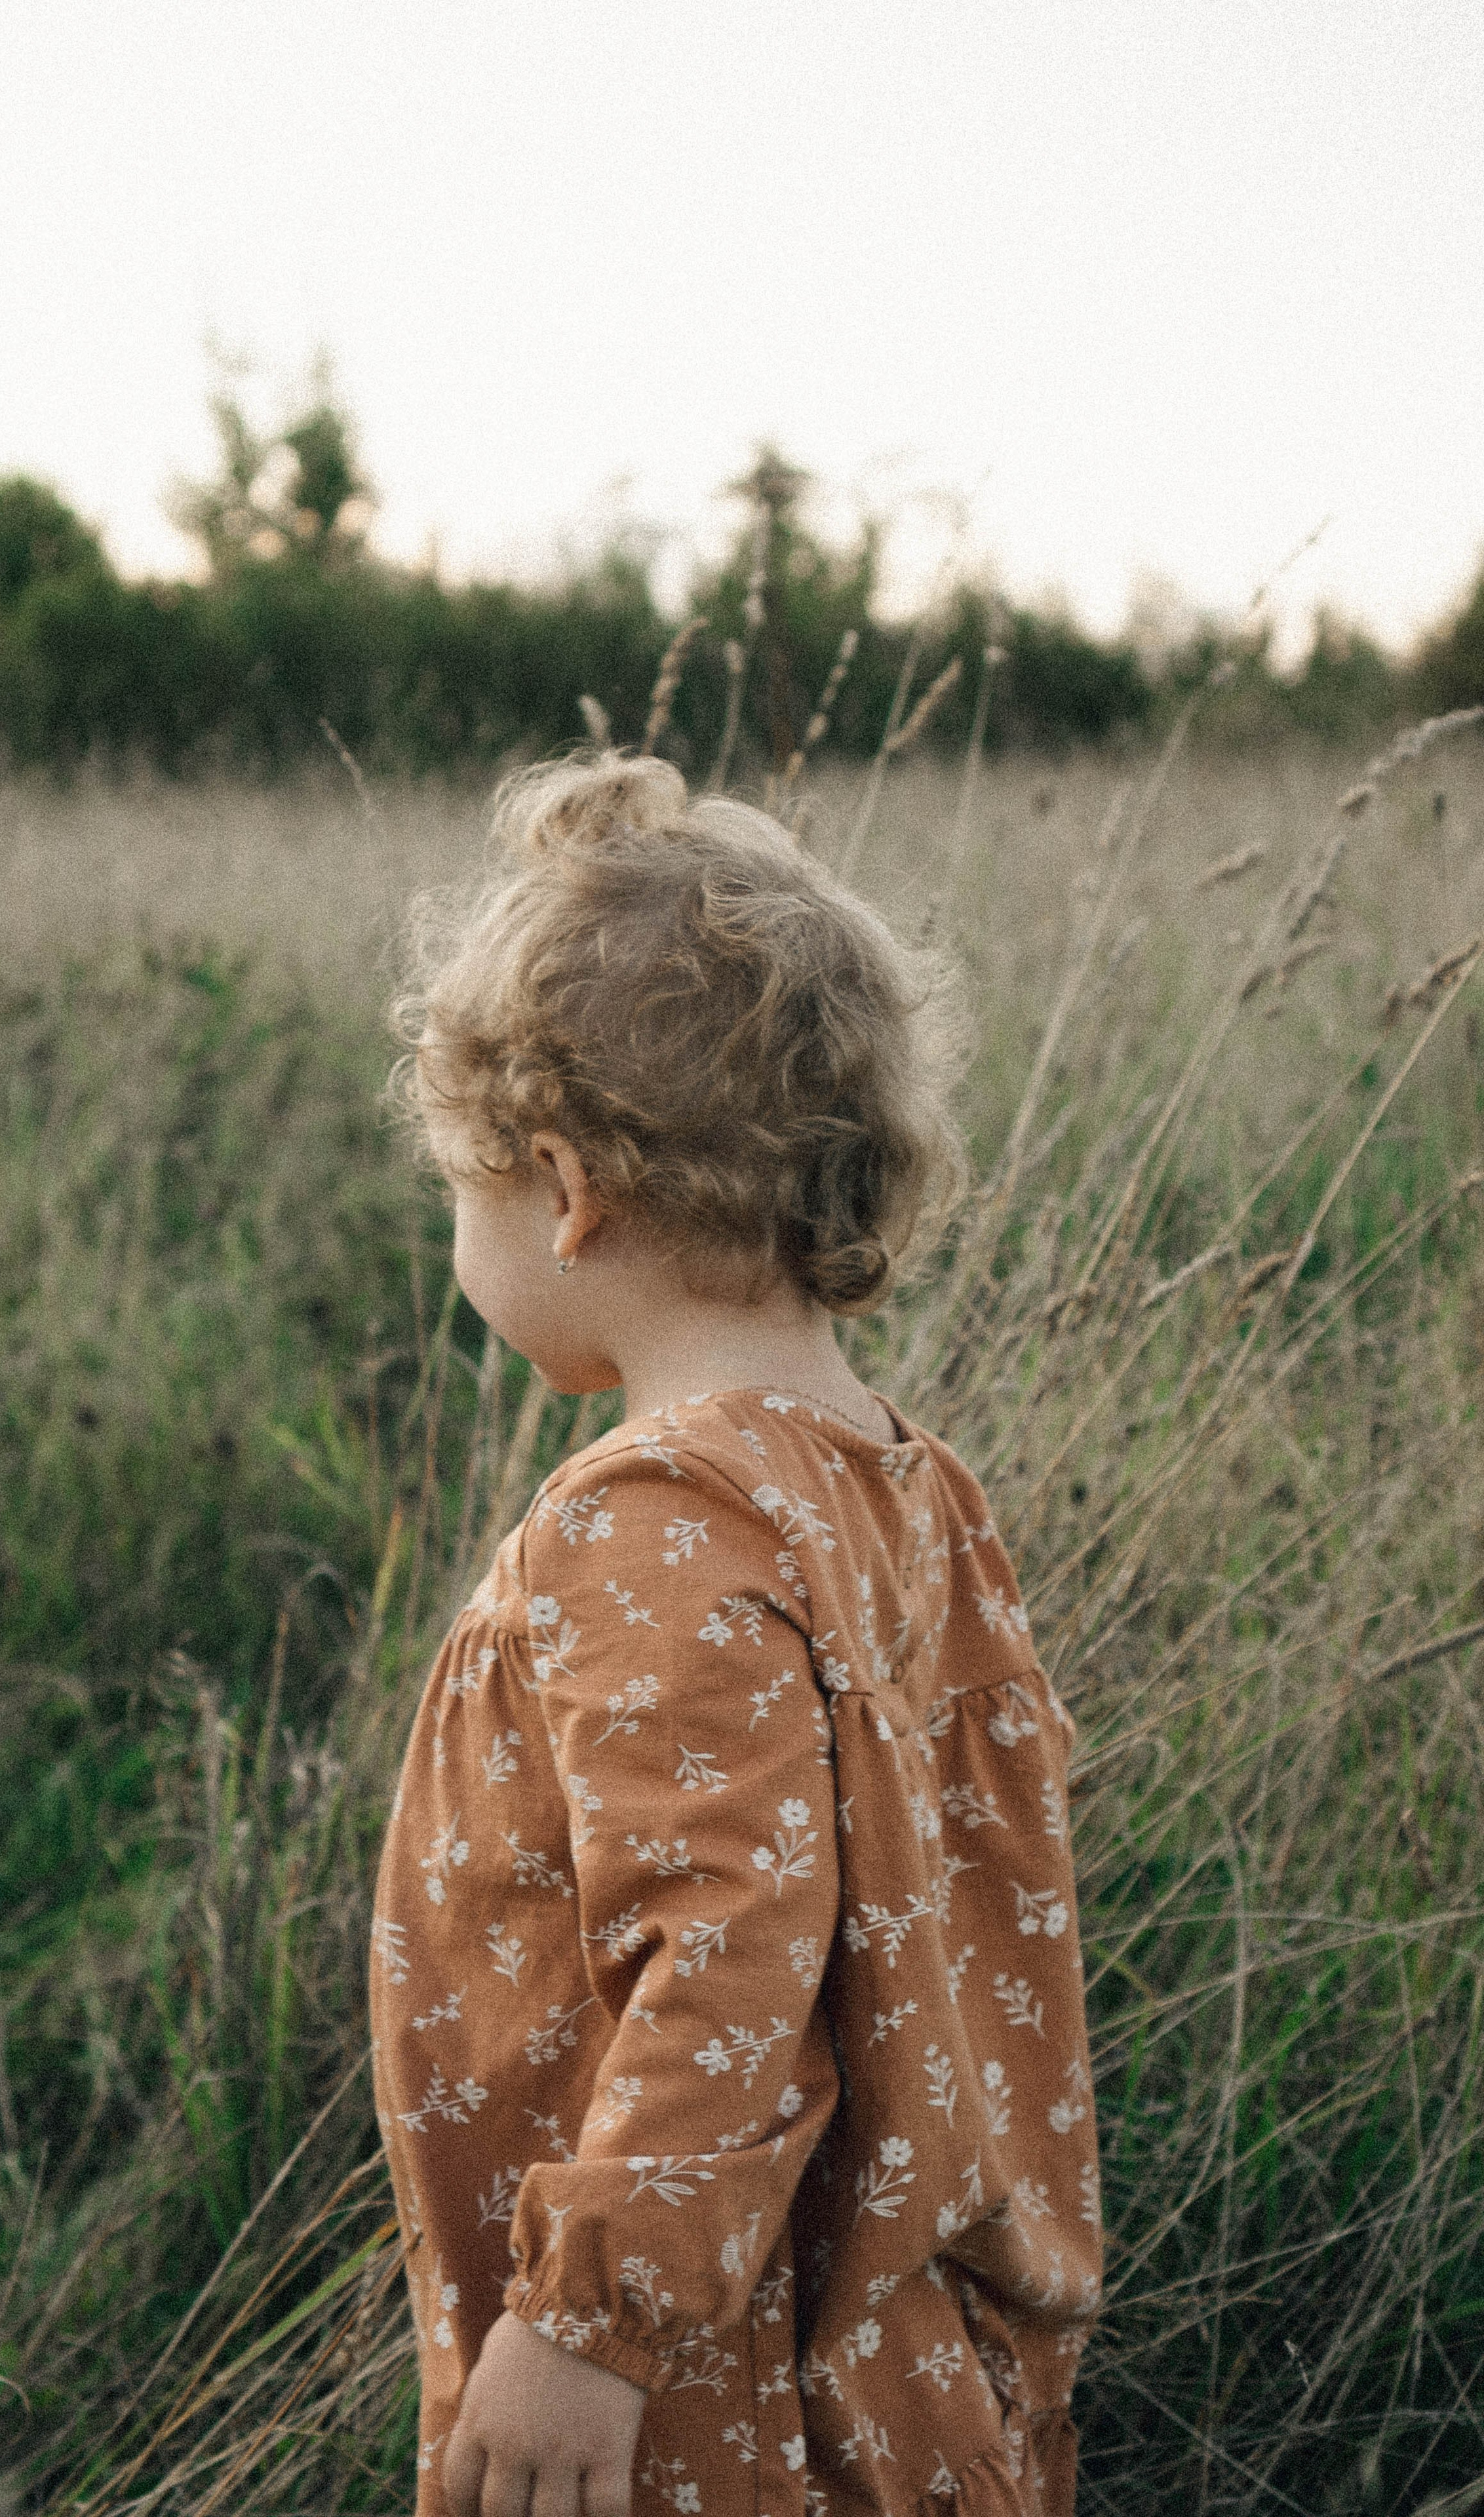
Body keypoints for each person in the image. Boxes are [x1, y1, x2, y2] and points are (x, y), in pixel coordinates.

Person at [369, 754, 1101, 2517]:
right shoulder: (907, 1485)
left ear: (565, 1189)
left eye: (463, 1190)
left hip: (714, 2398)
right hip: (893, 2334)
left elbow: (729, 1946)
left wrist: (589, 2323)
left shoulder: (652, 1524)